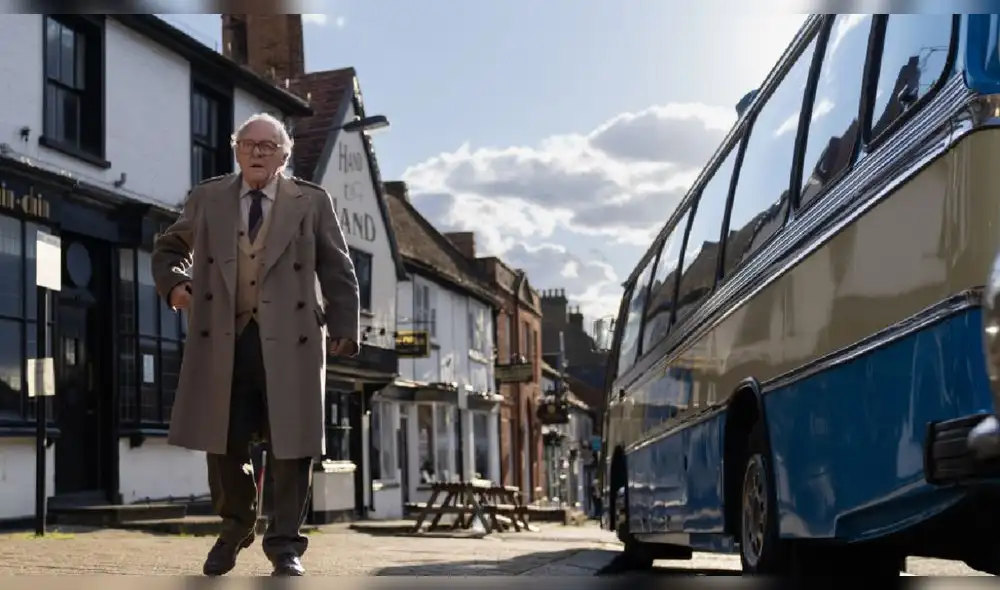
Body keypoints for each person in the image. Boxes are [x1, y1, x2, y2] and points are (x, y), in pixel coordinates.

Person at [151, 113, 360, 577]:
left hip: (294, 341)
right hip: (225, 338)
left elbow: (338, 267)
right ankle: (235, 526)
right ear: (236, 150)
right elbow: (169, 248)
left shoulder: (312, 201)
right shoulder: (208, 198)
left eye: (268, 146)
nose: (257, 153)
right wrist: (175, 285)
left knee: (293, 447)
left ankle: (285, 544)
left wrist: (345, 324)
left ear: (285, 155)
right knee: (222, 440)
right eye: (249, 144)